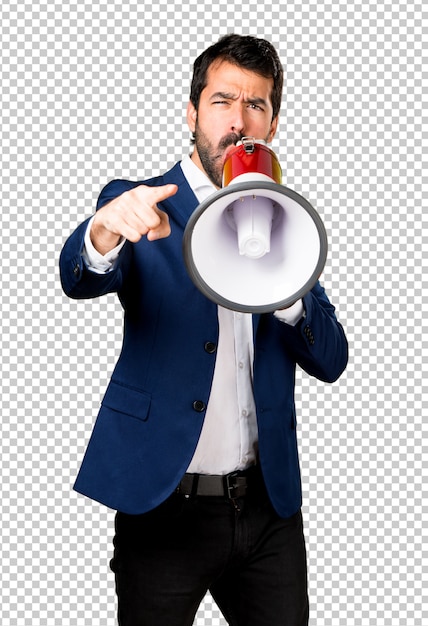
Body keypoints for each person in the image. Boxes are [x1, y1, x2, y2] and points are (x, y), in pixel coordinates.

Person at [59, 34, 348, 626]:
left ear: (273, 122)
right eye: (222, 101)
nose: (238, 122)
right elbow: (78, 278)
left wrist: (288, 293)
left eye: (257, 105)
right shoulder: (138, 201)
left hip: (267, 511)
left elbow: (333, 360)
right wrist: (104, 232)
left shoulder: (285, 222)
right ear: (192, 112)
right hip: (164, 505)